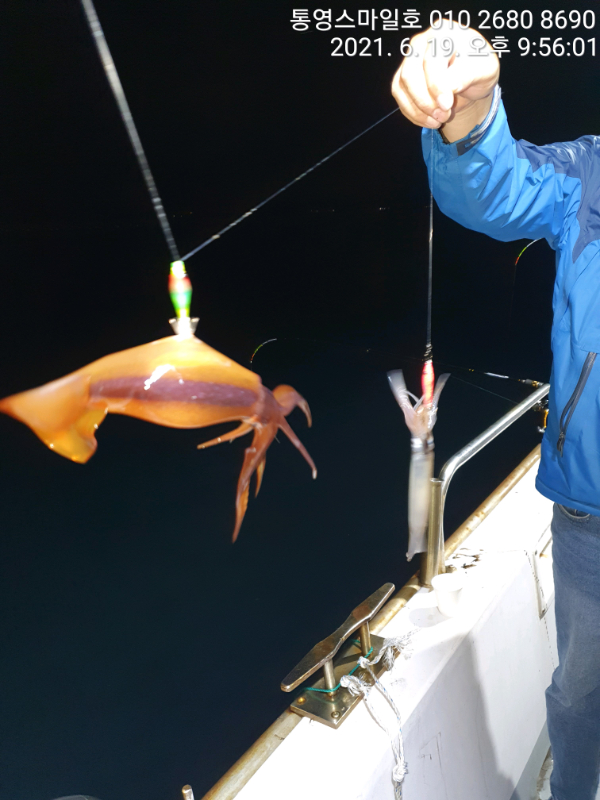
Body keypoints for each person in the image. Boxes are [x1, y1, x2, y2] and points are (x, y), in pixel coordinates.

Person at [392, 23, 600, 800]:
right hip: (590, 520)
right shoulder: (589, 173)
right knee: (579, 694)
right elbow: (496, 189)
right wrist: (469, 109)